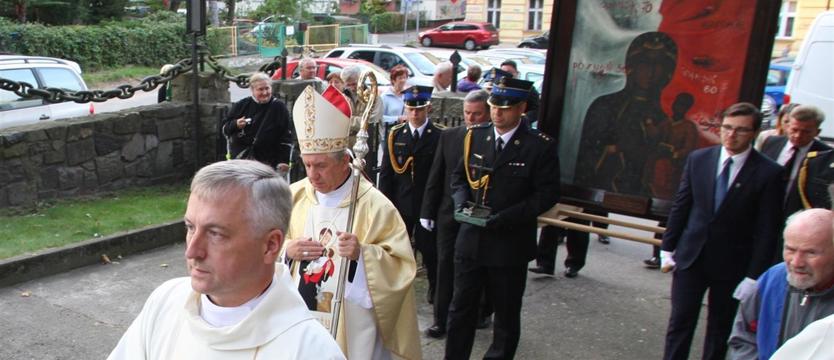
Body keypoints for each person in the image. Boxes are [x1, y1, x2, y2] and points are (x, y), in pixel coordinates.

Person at [107, 160, 344, 360]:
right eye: (190, 227)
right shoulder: (165, 302)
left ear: (270, 245)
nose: (192, 251)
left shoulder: (311, 350)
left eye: (215, 234)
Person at [282, 86, 422, 359]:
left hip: (351, 324)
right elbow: (264, 247)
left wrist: (362, 255)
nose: (312, 175)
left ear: (345, 161)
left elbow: (400, 267)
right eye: (307, 165)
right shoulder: (293, 197)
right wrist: (287, 250)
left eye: (321, 165)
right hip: (299, 318)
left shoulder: (375, 206)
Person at [445, 77, 560, 359]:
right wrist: (461, 204)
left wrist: (505, 217)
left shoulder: (539, 146)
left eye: (505, 108)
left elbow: (546, 195)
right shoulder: (476, 136)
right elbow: (459, 178)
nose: (497, 112)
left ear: (522, 108)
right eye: (494, 106)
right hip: (471, 240)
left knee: (506, 314)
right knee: (460, 309)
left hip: (509, 243)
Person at [660, 102, 785, 360]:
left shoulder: (769, 172)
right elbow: (682, 205)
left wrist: (754, 277)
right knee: (680, 322)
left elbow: (768, 228)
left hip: (732, 264)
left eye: (741, 130)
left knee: (720, 328)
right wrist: (667, 247)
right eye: (727, 127)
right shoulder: (699, 159)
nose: (731, 134)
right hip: (691, 257)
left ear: (754, 133)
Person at [420, 89, 492, 338]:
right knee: (444, 265)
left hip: (480, 214)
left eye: (477, 114)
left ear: (488, 113)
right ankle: (440, 319)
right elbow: (437, 174)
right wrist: (427, 210)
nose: (471, 118)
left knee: (476, 266)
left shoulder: (493, 140)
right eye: (467, 113)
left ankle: (480, 311)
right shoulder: (450, 136)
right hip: (448, 213)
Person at [727, 208, 834, 360]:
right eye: (790, 249)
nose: (796, 262)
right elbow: (744, 338)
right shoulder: (771, 281)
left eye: (811, 253)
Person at [379, 85, 442, 306]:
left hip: (427, 204)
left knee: (430, 250)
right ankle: (397, 287)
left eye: (420, 109)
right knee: (397, 249)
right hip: (402, 203)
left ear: (428, 109)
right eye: (411, 109)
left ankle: (435, 287)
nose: (415, 114)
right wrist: (386, 204)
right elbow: (387, 174)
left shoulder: (439, 135)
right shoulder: (396, 134)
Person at [760, 105, 830, 220]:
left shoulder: (824, 155)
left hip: (799, 217)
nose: (798, 136)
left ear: (817, 132)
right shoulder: (771, 143)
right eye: (794, 130)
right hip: (765, 211)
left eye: (806, 132)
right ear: (787, 126)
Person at [221, 72, 294, 172]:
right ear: (252, 90)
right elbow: (225, 129)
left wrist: (284, 160)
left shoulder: (279, 107)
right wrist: (235, 124)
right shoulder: (241, 105)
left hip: (269, 162)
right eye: (260, 89)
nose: (265, 92)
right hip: (243, 162)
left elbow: (286, 136)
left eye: (267, 88)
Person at [379, 65, 409, 165]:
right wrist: (397, 118)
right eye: (400, 78)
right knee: (390, 161)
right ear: (393, 80)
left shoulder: (407, 95)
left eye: (405, 77)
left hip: (404, 133)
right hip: (389, 134)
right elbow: (380, 117)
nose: (403, 80)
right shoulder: (385, 97)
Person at [499, 60, 540, 127]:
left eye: (509, 72)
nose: (506, 75)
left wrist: (522, 119)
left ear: (517, 73)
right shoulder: (497, 89)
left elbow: (536, 110)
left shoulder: (527, 88)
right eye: (503, 73)